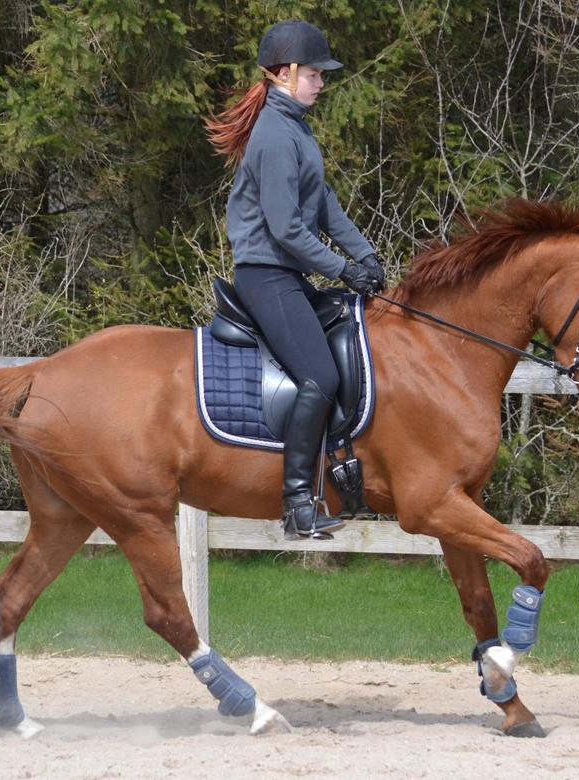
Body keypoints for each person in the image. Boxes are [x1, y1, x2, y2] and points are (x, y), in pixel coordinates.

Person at [205, 19, 386, 539]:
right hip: (267, 274)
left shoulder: (296, 127)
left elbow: (323, 204)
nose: (322, 82)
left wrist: (365, 255)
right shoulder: (274, 135)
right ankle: (297, 504)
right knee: (321, 377)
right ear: (285, 74)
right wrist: (342, 270)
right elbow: (285, 229)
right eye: (313, 74)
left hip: (289, 273)